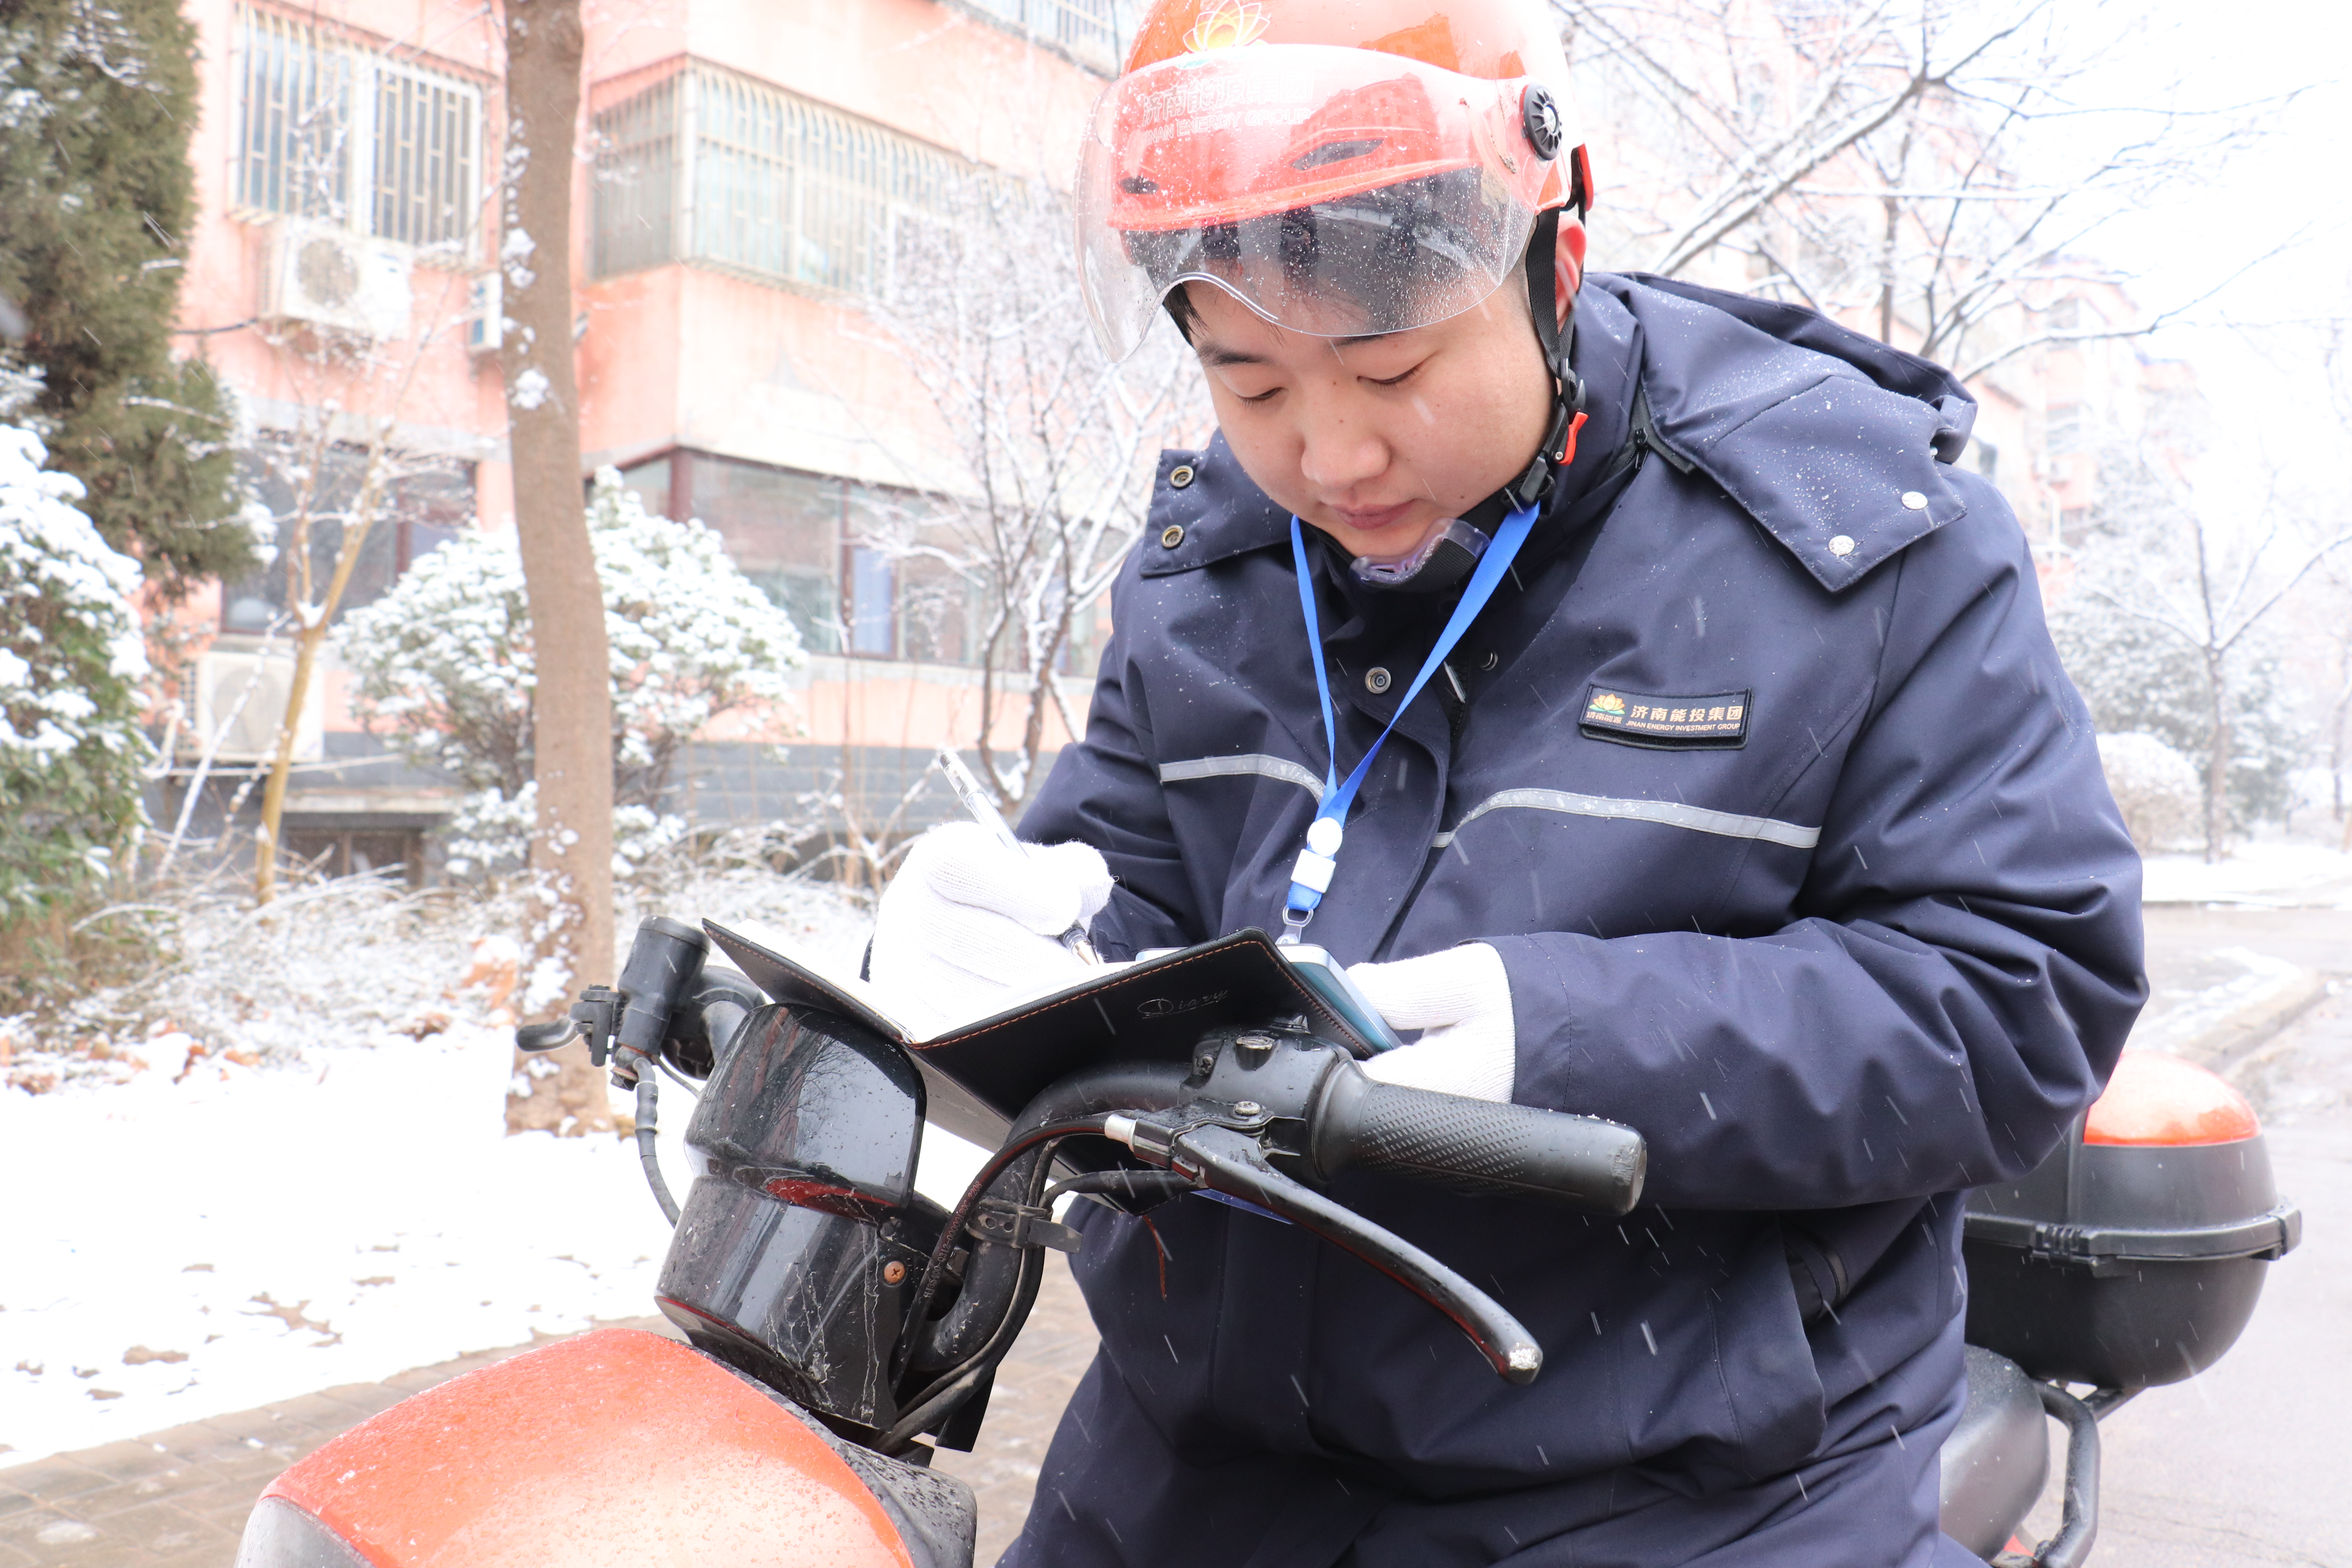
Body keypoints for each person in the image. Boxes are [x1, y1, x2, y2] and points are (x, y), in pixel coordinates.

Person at [869, 0, 2145, 1562]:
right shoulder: (1212, 571)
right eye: (1252, 389)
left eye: (1391, 367)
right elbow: (1132, 888)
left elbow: (2022, 993)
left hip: (1686, 1491)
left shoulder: (1855, 544)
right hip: (1191, 1472)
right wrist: (999, 954)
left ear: (1556, 254)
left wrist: (1572, 1038)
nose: (1332, 457)